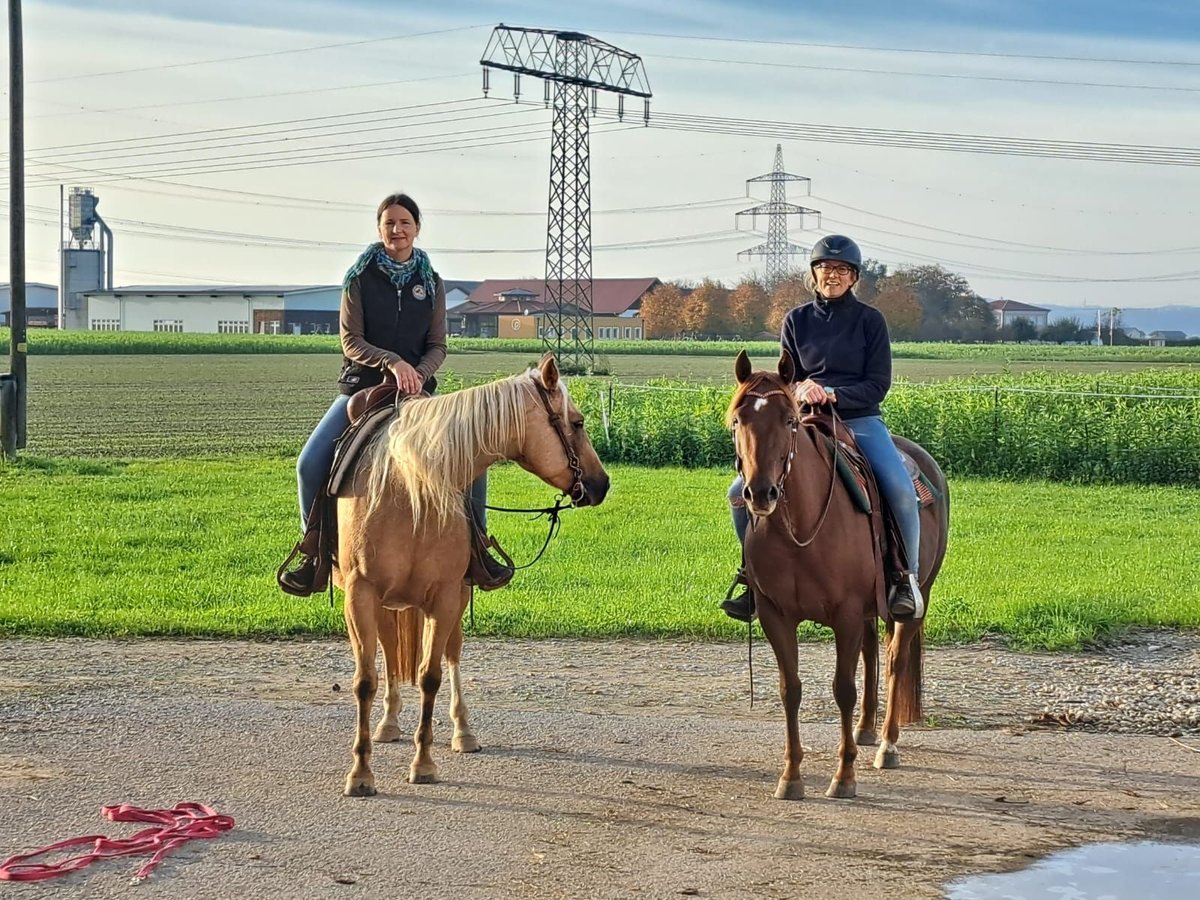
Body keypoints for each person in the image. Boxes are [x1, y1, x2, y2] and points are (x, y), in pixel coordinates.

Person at [278, 192, 511, 595]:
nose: (397, 230)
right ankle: (313, 551)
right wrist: (392, 362)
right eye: (389, 223)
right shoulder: (358, 279)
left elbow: (438, 344)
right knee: (309, 462)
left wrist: (418, 372)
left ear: (417, 228)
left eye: (404, 223)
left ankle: (478, 549)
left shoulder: (431, 282)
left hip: (419, 393)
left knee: (474, 460)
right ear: (379, 229)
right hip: (363, 387)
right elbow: (351, 341)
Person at [720, 235, 924, 622]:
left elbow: (878, 384)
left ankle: (904, 578)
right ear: (812, 274)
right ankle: (751, 576)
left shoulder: (871, 321)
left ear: (854, 278)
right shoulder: (796, 320)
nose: (833, 275)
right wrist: (800, 388)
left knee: (899, 487)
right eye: (825, 268)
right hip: (806, 420)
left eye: (842, 270)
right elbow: (788, 377)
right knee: (736, 492)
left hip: (860, 419)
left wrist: (831, 391)